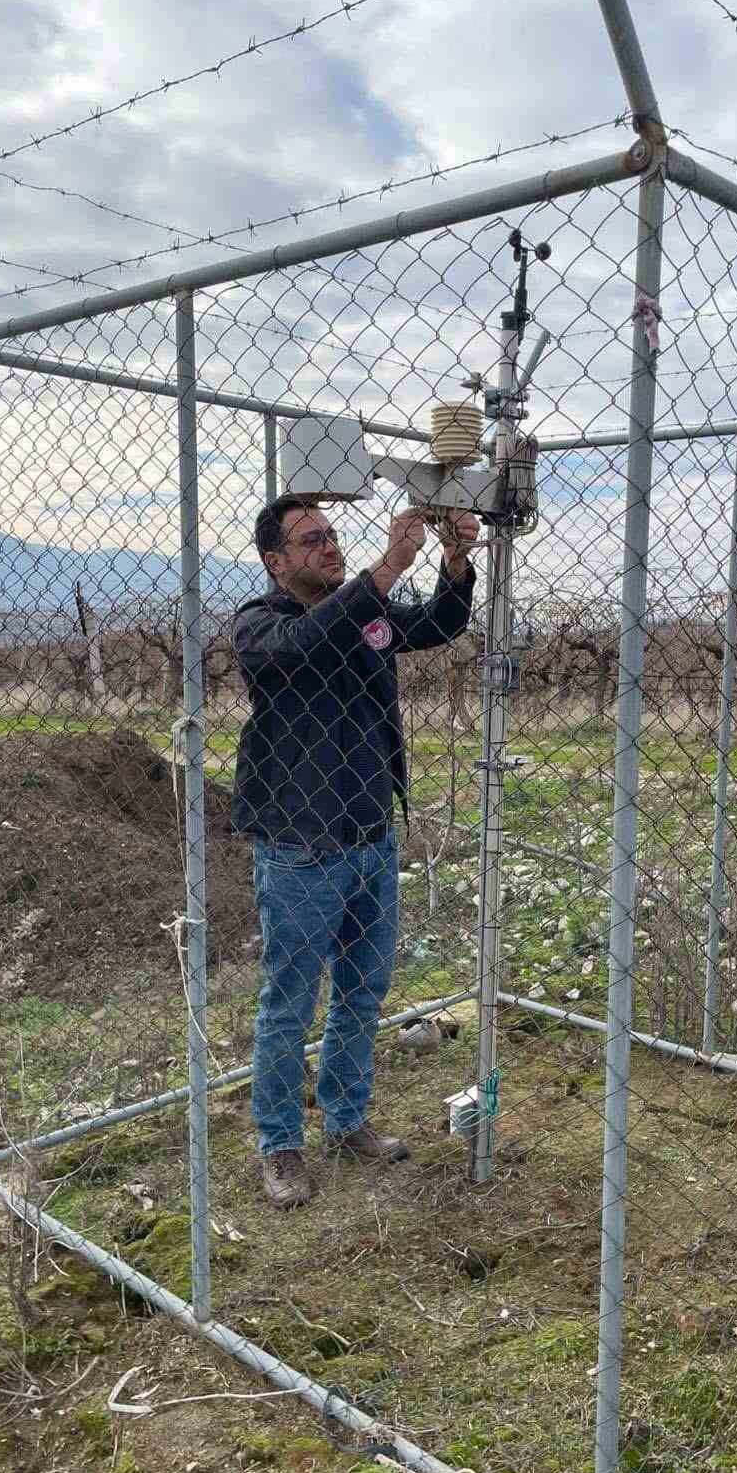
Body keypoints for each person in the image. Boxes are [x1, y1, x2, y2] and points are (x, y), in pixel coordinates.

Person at [232, 493, 478, 1209]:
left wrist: (452, 563)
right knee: (289, 1004)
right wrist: (382, 571)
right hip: (302, 849)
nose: (329, 547)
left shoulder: (363, 614)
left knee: (362, 993)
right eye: (311, 540)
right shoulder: (260, 627)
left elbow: (436, 625)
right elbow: (310, 645)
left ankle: (345, 1120)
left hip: (371, 840)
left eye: (333, 535)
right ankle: (280, 1144)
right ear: (276, 562)